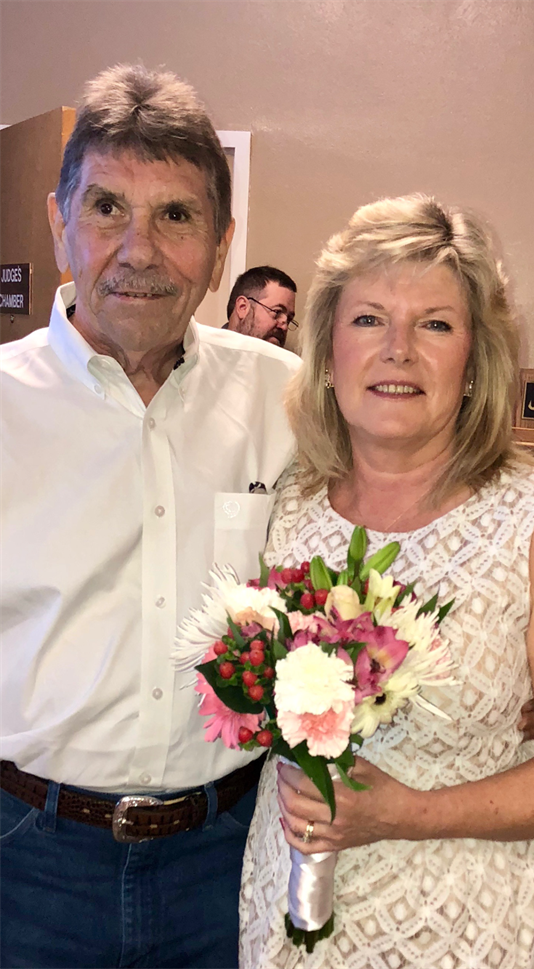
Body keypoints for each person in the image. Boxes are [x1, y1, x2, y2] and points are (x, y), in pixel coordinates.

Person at [0, 65, 300, 969]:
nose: (138, 249)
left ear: (220, 244)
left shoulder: (286, 399)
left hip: (230, 849)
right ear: (60, 224)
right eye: (105, 209)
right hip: (30, 861)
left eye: (176, 216)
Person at [239, 195, 534, 969]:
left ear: (476, 362)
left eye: (435, 324)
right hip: (284, 916)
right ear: (328, 346)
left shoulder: (529, 518)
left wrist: (411, 812)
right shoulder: (286, 503)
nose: (397, 350)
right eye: (369, 319)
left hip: (462, 925)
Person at [225, 265, 298, 347]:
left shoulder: (287, 359)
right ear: (243, 307)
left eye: (289, 319)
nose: (284, 327)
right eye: (277, 312)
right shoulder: (209, 354)